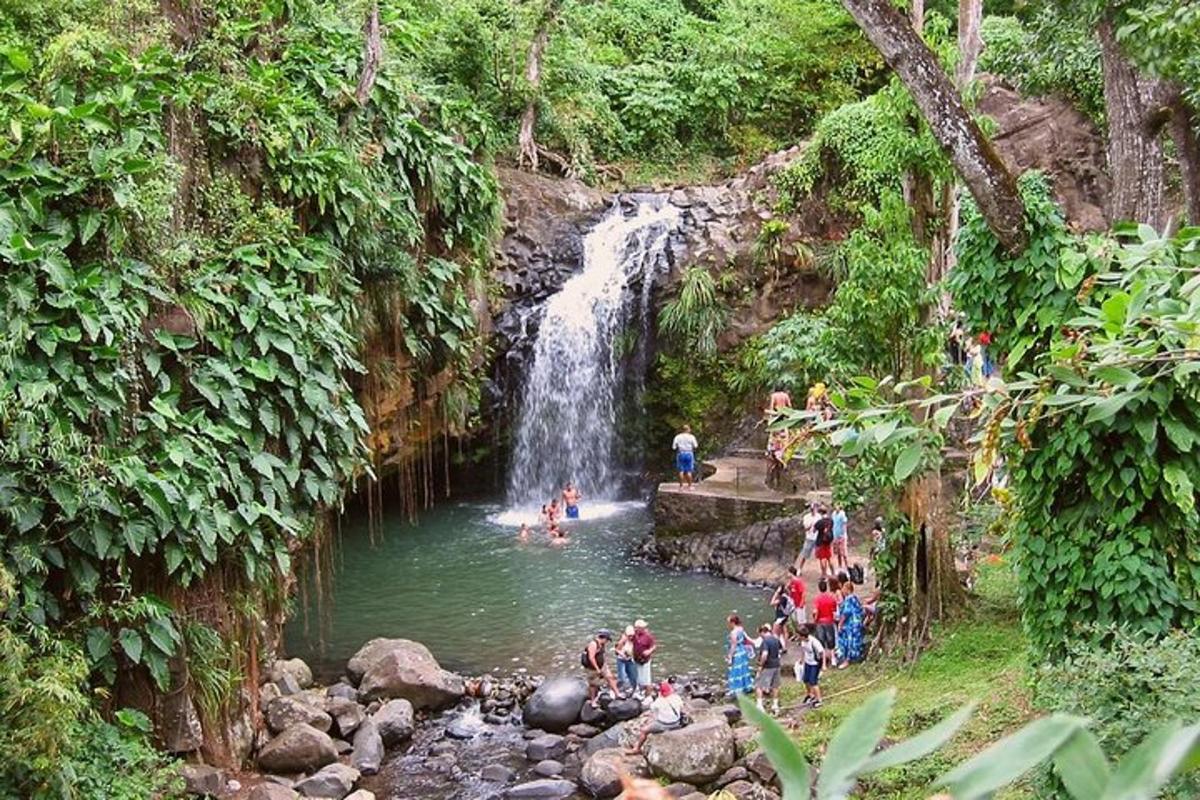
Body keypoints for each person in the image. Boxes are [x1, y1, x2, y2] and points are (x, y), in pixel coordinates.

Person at [625, 680, 684, 755]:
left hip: (664, 724)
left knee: (644, 730)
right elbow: (681, 707)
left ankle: (637, 748)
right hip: (676, 722)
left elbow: (652, 710)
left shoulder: (659, 701)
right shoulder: (677, 697)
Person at [582, 630, 620, 707]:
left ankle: (617, 694)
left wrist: (604, 665)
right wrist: (597, 669)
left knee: (610, 678)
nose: (607, 642)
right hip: (592, 668)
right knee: (593, 685)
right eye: (607, 640)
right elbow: (591, 658)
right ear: (604, 638)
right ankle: (593, 701)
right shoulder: (593, 644)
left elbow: (602, 655)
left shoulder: (601, 644)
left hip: (602, 666)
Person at [754, 624, 783, 714]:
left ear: (762, 632)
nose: (760, 636)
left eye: (760, 634)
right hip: (777, 665)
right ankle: (775, 704)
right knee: (775, 686)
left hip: (768, 666)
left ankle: (759, 705)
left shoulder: (765, 641)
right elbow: (781, 649)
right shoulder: (776, 639)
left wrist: (760, 665)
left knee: (759, 685)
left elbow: (765, 654)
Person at [836, 581, 866, 667]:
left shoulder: (849, 599)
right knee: (855, 641)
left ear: (847, 589)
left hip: (850, 624)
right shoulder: (855, 598)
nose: (842, 591)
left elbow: (846, 613)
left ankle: (847, 660)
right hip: (857, 623)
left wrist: (840, 624)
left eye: (843, 589)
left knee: (848, 641)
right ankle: (855, 657)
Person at [725, 614, 754, 697]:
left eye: (729, 622)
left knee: (736, 670)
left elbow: (733, 645)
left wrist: (730, 656)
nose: (728, 624)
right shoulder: (741, 629)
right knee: (743, 668)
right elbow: (745, 639)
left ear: (732, 622)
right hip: (743, 651)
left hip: (737, 652)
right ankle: (746, 686)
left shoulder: (733, 632)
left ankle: (737, 689)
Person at [798, 624, 825, 708]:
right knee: (806, 680)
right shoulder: (803, 641)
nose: (797, 637)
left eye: (798, 635)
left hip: (814, 664)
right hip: (807, 662)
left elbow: (822, 652)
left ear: (803, 636)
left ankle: (819, 700)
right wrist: (802, 659)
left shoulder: (814, 642)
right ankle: (810, 695)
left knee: (813, 682)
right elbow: (803, 650)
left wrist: (823, 665)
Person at [813, 579, 838, 668]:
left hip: (820, 622)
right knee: (831, 642)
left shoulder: (817, 599)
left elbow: (815, 611)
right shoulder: (831, 598)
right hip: (829, 621)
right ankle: (833, 660)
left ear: (819, 588)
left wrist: (815, 620)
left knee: (822, 643)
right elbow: (834, 611)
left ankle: (824, 664)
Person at [632, 619, 657, 694]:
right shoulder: (634, 634)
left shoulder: (648, 636)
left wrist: (649, 651)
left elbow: (654, 646)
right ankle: (639, 691)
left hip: (645, 660)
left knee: (646, 680)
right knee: (637, 677)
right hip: (636, 659)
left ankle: (648, 694)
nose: (643, 629)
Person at [672, 425, 699, 489]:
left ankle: (681, 486)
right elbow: (696, 446)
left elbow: (674, 447)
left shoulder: (677, 437)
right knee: (689, 471)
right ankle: (690, 486)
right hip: (689, 453)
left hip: (680, 453)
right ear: (688, 430)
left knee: (681, 471)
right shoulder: (692, 437)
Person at [768, 584, 795, 649]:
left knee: (774, 633)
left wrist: (776, 593)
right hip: (785, 616)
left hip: (780, 617)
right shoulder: (788, 597)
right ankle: (785, 647)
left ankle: (776, 647)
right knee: (784, 632)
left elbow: (771, 603)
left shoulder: (783, 598)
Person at [795, 503, 820, 571]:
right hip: (809, 538)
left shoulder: (819, 516)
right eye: (812, 509)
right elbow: (805, 528)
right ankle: (800, 568)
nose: (814, 510)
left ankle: (823, 572)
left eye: (815, 508)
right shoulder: (806, 517)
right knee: (805, 554)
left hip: (817, 538)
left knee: (821, 555)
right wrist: (811, 525)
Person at [615, 626, 638, 692]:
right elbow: (617, 650)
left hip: (630, 659)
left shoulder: (634, 640)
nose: (631, 637)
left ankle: (633, 689)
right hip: (621, 660)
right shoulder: (623, 640)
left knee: (633, 676)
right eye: (629, 636)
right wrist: (622, 654)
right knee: (622, 676)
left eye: (632, 636)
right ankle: (624, 688)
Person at [813, 506, 834, 578]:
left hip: (821, 541)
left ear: (821, 513)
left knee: (822, 558)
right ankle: (833, 573)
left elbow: (814, 530)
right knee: (829, 558)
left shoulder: (820, 522)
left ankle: (823, 574)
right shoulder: (830, 520)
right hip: (828, 542)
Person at [787, 567, 807, 638]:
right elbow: (789, 590)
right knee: (795, 621)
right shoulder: (791, 582)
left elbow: (803, 593)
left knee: (801, 621)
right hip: (794, 605)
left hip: (799, 604)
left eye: (788, 572)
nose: (787, 574)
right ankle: (797, 635)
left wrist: (802, 602)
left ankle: (803, 635)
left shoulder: (798, 582)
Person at [831, 503, 849, 570]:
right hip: (835, 535)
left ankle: (847, 567)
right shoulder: (833, 514)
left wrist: (843, 535)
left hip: (842, 536)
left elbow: (844, 524)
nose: (836, 507)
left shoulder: (842, 514)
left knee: (844, 553)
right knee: (838, 553)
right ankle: (840, 566)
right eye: (835, 506)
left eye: (837, 506)